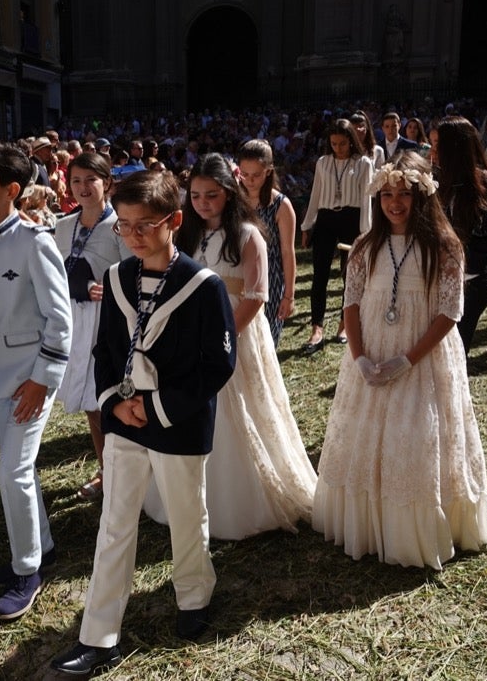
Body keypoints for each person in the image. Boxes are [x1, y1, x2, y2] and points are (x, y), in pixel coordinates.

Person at [49, 170, 236, 677]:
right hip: (125, 419)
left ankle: (194, 598)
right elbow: (106, 350)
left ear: (174, 221)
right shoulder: (115, 279)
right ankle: (98, 634)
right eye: (124, 226)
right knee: (114, 524)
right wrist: (114, 401)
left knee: (186, 515)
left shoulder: (202, 285)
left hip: (176, 420)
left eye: (144, 225)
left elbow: (216, 365)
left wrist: (156, 407)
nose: (132, 235)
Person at [311, 152, 487, 569]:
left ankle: (413, 525)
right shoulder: (364, 245)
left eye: (405, 194)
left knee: (416, 436)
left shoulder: (445, 246)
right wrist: (359, 357)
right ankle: (370, 521)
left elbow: (450, 311)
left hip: (422, 358)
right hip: (373, 351)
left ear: (422, 196)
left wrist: (407, 360)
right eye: (387, 194)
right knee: (371, 436)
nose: (395, 202)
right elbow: (352, 302)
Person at [141, 153, 315, 539]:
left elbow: (255, 297)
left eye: (212, 195)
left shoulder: (248, 235)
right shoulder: (188, 234)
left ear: (229, 193)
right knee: (196, 409)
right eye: (197, 195)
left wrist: (219, 339)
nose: (203, 203)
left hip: (234, 331)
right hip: (192, 332)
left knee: (239, 410)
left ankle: (239, 501)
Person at [0, 141, 71, 621]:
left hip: (30, 376)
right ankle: (42, 546)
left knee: (13, 472)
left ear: (11, 189)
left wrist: (43, 379)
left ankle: (27, 570)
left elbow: (59, 318)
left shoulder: (33, 241)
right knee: (15, 468)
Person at [53, 152, 128, 501]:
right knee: (90, 401)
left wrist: (108, 289)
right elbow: (55, 274)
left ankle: (127, 473)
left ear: (107, 182)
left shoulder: (119, 226)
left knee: (111, 397)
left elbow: (133, 274)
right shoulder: (63, 225)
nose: (83, 187)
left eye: (91, 180)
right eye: (76, 180)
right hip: (75, 321)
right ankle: (106, 471)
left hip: (109, 321)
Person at [435, 118, 487, 354]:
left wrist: (467, 247)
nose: (433, 149)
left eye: (438, 143)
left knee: (456, 349)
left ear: (454, 148)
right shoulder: (437, 182)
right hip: (438, 279)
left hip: (473, 281)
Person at [300, 119, 374, 354]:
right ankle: (317, 328)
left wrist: (365, 232)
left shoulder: (363, 163)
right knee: (319, 274)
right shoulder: (323, 162)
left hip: (351, 219)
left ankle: (344, 324)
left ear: (351, 141)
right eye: (334, 143)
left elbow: (366, 200)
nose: (338, 148)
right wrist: (307, 224)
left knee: (348, 274)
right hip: (326, 219)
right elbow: (316, 194)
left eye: (343, 143)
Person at [237, 138, 297, 346]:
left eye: (256, 175)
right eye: (244, 174)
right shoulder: (233, 201)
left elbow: (288, 252)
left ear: (269, 171)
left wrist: (288, 295)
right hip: (238, 277)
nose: (249, 180)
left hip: (269, 281)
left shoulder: (281, 205)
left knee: (266, 343)